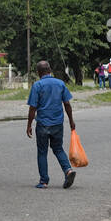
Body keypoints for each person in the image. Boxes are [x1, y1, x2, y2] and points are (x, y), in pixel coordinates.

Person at [26, 60, 76, 189]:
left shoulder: (37, 86)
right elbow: (67, 104)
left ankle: (44, 181)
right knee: (58, 149)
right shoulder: (60, 84)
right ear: (50, 70)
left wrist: (29, 125)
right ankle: (68, 170)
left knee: (42, 152)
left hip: (42, 124)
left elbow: (32, 108)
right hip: (57, 124)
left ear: (38, 72)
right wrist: (71, 120)